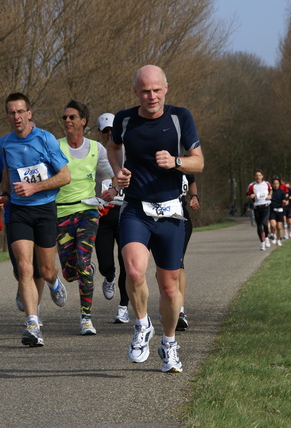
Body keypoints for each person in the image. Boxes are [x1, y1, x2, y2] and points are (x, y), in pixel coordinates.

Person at [107, 64, 204, 373]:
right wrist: (118, 173)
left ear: (166, 89)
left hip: (171, 210)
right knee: (134, 271)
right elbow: (113, 148)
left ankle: (170, 343)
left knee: (169, 287)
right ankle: (141, 325)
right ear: (136, 92)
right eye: (145, 91)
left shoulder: (180, 118)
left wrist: (176, 161)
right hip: (135, 207)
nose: (152, 96)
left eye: (157, 90)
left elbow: (198, 163)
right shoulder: (124, 119)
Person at [0, 92, 71, 347]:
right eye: (11, 112)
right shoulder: (4, 143)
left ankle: (54, 283)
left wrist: (34, 188)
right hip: (18, 211)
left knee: (46, 269)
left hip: (44, 209)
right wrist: (5, 194)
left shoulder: (45, 139)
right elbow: (8, 171)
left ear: (29, 114)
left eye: (20, 112)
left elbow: (64, 176)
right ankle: (32, 324)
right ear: (7, 116)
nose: (16, 117)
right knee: (24, 268)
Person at [55, 100, 116, 335]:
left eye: (72, 117)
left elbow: (111, 174)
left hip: (88, 211)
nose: (68, 121)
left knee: (83, 262)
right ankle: (79, 269)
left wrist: (112, 191)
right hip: (61, 212)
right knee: (70, 272)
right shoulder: (55, 146)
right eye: (64, 118)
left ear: (83, 121)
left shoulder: (96, 149)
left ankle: (86, 318)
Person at [0, 152, 45, 326]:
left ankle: (35, 310)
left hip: (42, 215)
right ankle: (24, 286)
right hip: (16, 217)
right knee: (21, 268)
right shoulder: (3, 156)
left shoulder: (43, 152)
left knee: (39, 270)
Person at [94, 112, 130, 324]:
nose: (110, 134)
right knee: (105, 263)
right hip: (104, 213)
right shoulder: (96, 152)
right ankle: (108, 276)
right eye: (106, 131)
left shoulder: (129, 150)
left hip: (126, 212)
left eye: (113, 130)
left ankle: (123, 306)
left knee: (126, 261)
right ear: (100, 132)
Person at [177, 174, 200, 330]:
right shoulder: (151, 160)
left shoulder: (183, 163)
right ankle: (167, 297)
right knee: (163, 270)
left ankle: (179, 311)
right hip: (151, 219)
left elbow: (192, 180)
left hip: (181, 218)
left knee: (177, 264)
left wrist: (194, 196)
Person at [246, 169, 272, 251]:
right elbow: (247, 196)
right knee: (259, 225)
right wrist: (250, 196)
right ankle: (262, 243)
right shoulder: (252, 185)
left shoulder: (267, 184)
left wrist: (270, 196)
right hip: (257, 207)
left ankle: (267, 238)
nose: (258, 177)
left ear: (262, 176)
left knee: (265, 223)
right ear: (254, 176)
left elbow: (270, 191)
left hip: (266, 206)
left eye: (259, 175)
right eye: (256, 175)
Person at [268, 177, 287, 247]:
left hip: (280, 211)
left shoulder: (282, 192)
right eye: (274, 184)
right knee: (273, 225)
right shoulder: (269, 191)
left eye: (277, 184)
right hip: (272, 210)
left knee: (279, 227)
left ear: (279, 184)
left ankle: (278, 240)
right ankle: (273, 234)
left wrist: (285, 202)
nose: (276, 185)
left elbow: (285, 200)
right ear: (272, 184)